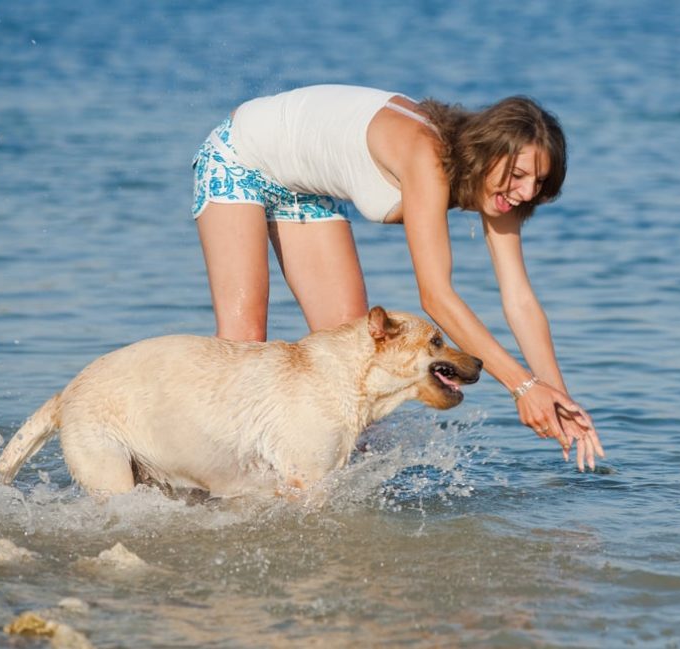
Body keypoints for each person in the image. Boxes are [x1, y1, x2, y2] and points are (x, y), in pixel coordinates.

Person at [191, 84, 604, 471]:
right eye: (518, 176)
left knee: (357, 358)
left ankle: (333, 491)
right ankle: (212, 477)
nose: (527, 192)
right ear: (487, 151)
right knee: (242, 341)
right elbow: (437, 297)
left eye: (539, 182)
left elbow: (520, 301)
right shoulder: (426, 157)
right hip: (241, 157)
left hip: (304, 189)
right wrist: (522, 386)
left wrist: (556, 397)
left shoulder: (501, 191)